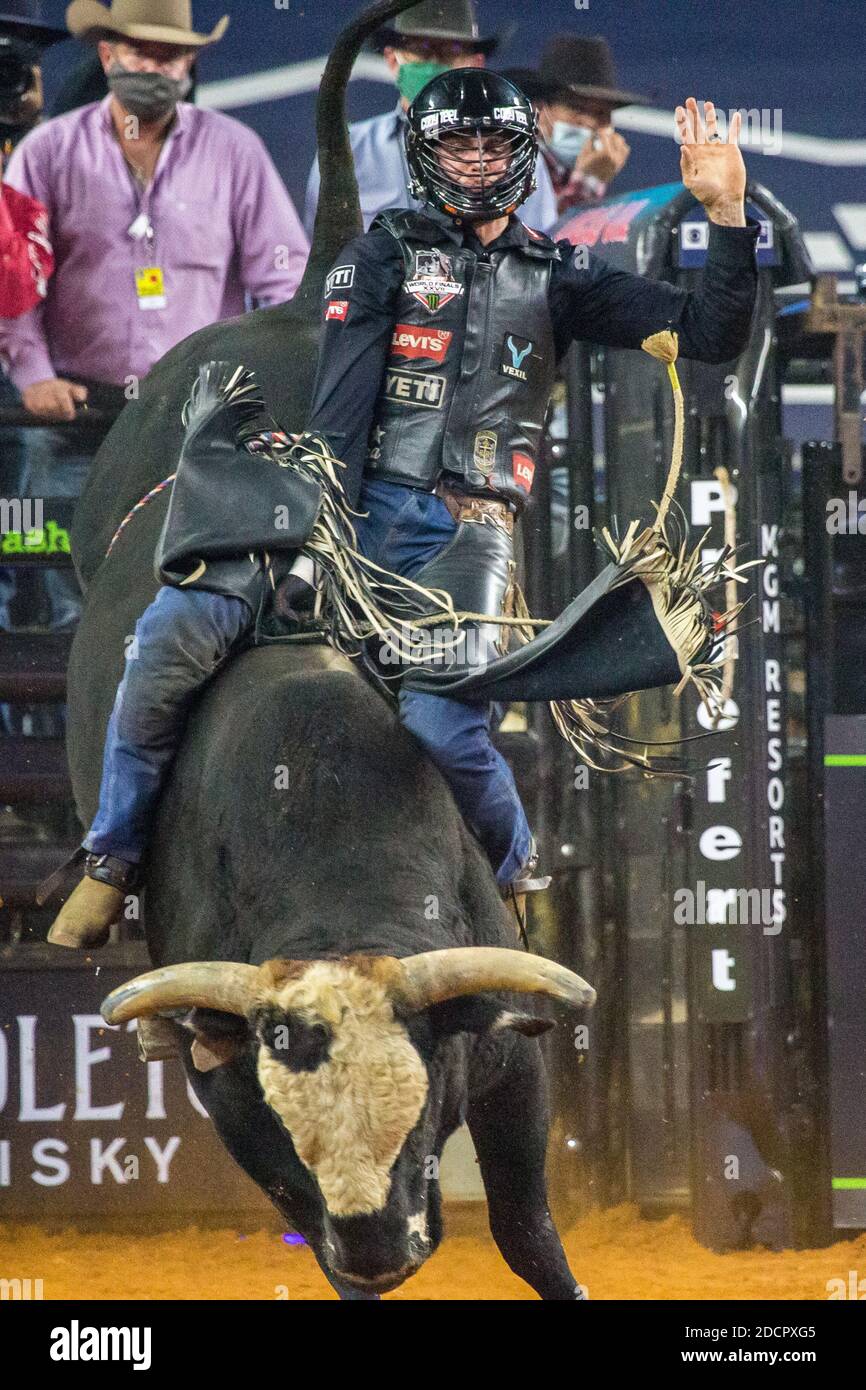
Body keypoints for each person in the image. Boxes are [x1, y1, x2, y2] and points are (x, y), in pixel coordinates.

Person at [48, 72, 760, 949]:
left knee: (439, 721)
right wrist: (317, 544)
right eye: (456, 145)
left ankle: (511, 875)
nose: (474, 162)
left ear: (519, 156)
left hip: (468, 531)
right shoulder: (378, 257)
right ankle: (110, 863)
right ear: (425, 157)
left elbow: (713, 335)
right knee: (169, 639)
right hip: (349, 502)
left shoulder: (561, 277)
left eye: (493, 145)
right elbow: (341, 414)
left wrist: (727, 215)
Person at [0, 0, 309, 630]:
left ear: (191, 62)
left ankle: (159, 726)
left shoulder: (234, 151)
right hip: (75, 419)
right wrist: (31, 374)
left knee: (197, 597)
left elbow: (282, 277)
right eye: (141, 51)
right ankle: (71, 728)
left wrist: (266, 372)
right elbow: (13, 281)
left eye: (169, 54)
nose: (155, 66)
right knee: (66, 603)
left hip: (196, 423)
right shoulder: (48, 151)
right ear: (108, 54)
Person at [303, 0, 557, 238]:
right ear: (393, 60)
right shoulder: (348, 150)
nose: (435, 64)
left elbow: (535, 250)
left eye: (451, 52)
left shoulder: (514, 151)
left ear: (476, 63)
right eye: (421, 51)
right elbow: (322, 258)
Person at [503, 35, 645, 223]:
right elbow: (543, 241)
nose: (589, 121)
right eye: (577, 108)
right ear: (538, 111)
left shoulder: (566, 173)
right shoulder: (517, 163)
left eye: (601, 113)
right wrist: (589, 181)